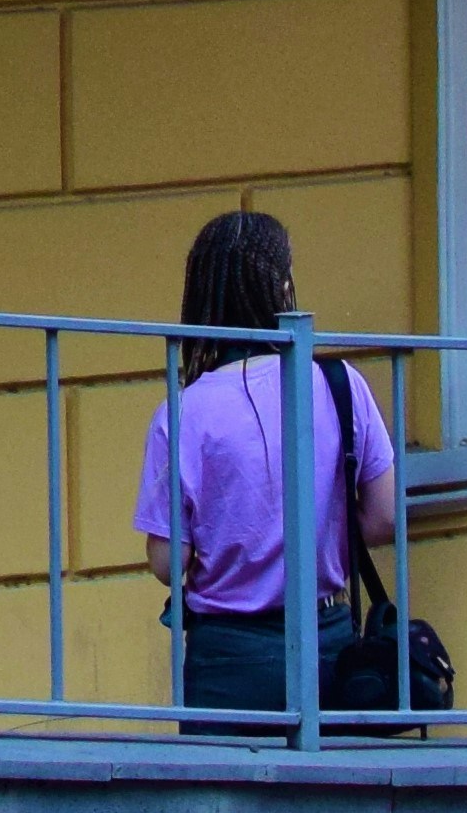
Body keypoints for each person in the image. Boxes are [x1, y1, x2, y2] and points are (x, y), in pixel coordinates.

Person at [136, 207, 401, 731]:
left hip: (226, 657)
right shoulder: (338, 384)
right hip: (329, 639)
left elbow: (169, 562)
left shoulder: (182, 411)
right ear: (283, 288)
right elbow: (384, 518)